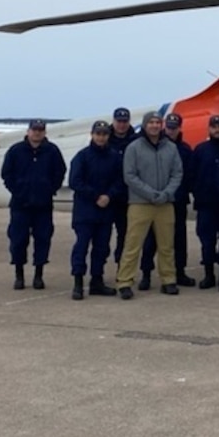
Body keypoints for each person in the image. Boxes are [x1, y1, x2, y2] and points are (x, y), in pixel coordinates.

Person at [116, 112, 183, 298]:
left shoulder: (171, 148)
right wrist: (150, 193)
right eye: (151, 122)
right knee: (132, 245)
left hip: (165, 203)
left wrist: (167, 193)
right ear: (145, 125)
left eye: (157, 122)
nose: (154, 125)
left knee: (166, 245)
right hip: (140, 203)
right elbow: (129, 175)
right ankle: (124, 281)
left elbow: (177, 173)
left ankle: (168, 280)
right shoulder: (133, 147)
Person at [0, 118, 66, 290]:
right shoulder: (16, 150)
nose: (37, 133)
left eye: (40, 130)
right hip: (20, 205)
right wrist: (17, 190)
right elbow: (6, 174)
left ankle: (39, 275)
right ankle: (19, 275)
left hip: (43, 205)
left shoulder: (52, 151)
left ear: (44, 132)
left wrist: (50, 189)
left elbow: (60, 172)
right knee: (18, 240)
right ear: (28, 131)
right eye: (34, 129)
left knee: (43, 240)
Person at [139, 112, 196, 290]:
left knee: (178, 240)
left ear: (179, 128)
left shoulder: (185, 149)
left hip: (177, 200)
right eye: (169, 127)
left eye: (174, 127)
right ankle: (146, 274)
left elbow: (189, 175)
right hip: (157, 199)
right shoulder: (156, 146)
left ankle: (179, 272)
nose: (171, 131)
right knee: (151, 240)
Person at [67, 120, 122, 299]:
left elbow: (120, 180)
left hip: (105, 211)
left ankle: (97, 281)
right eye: (98, 134)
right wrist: (95, 196)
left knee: (101, 248)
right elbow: (75, 181)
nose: (101, 137)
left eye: (104, 134)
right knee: (81, 247)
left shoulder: (114, 157)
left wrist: (109, 196)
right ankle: (78, 282)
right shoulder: (82, 156)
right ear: (92, 135)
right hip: (85, 211)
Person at [190, 115, 219, 288]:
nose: (217, 129)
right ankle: (208, 275)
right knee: (207, 241)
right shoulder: (200, 150)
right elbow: (192, 175)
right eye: (214, 126)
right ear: (209, 129)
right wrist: (198, 195)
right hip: (206, 204)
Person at [105, 106, 138, 267]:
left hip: (127, 196)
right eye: (119, 121)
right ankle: (98, 274)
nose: (122, 125)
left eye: (125, 121)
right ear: (114, 121)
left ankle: (122, 269)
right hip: (106, 196)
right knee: (102, 237)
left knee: (125, 235)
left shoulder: (136, 141)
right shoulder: (104, 139)